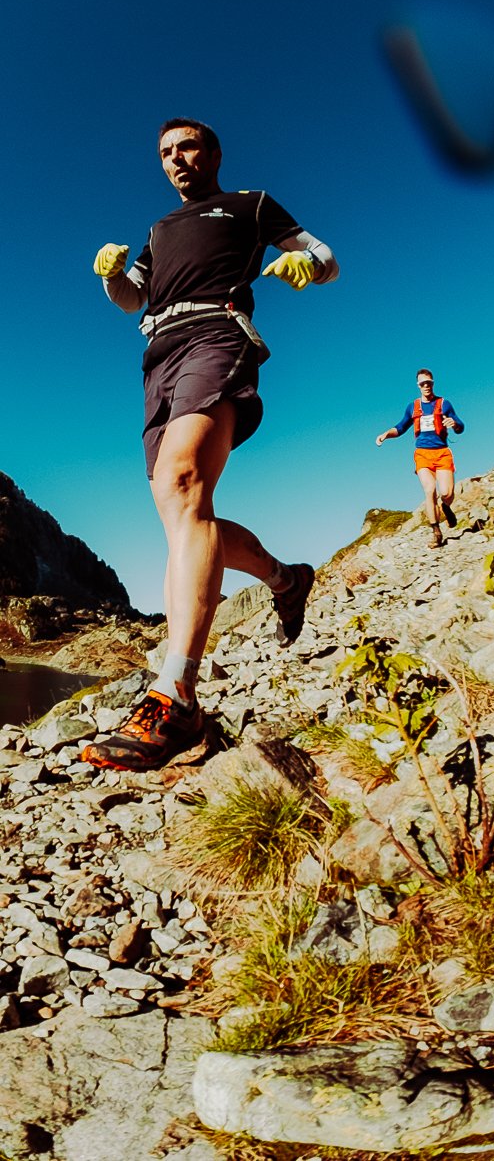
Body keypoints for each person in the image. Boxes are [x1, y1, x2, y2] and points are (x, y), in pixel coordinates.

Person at [82, 118, 340, 772]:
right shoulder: (158, 231)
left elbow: (326, 258)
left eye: (188, 146)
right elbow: (129, 298)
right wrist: (112, 275)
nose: (177, 159)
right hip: (156, 358)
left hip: (216, 334)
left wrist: (301, 264)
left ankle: (175, 696)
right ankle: (286, 580)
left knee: (182, 484)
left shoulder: (250, 204)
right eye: (166, 152)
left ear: (215, 152)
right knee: (183, 520)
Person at [375, 369, 464, 548]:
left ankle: (446, 507)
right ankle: (436, 532)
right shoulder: (413, 407)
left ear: (433, 383)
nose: (426, 386)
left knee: (446, 493)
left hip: (442, 452)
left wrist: (454, 424)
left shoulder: (444, 404)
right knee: (430, 489)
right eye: (422, 383)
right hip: (422, 453)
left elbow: (460, 426)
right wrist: (385, 434)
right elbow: (400, 428)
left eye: (429, 383)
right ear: (418, 386)